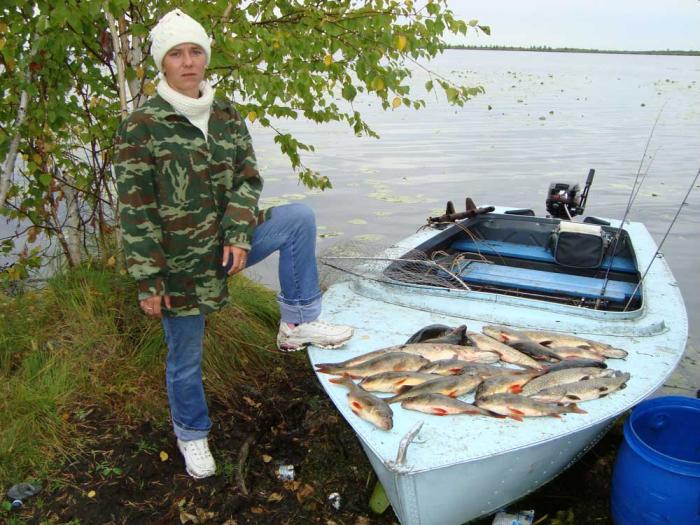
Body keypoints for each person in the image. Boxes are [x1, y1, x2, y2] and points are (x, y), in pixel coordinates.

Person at [114, 9, 353, 480]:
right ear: (162, 63)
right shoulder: (141, 125)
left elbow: (248, 180)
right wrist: (148, 279)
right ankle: (192, 434)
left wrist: (240, 235)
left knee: (297, 219)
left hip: (227, 247)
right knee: (185, 358)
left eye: (195, 51)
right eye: (176, 53)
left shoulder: (225, 114)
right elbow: (135, 210)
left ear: (206, 58)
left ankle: (297, 322)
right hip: (179, 268)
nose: (188, 62)